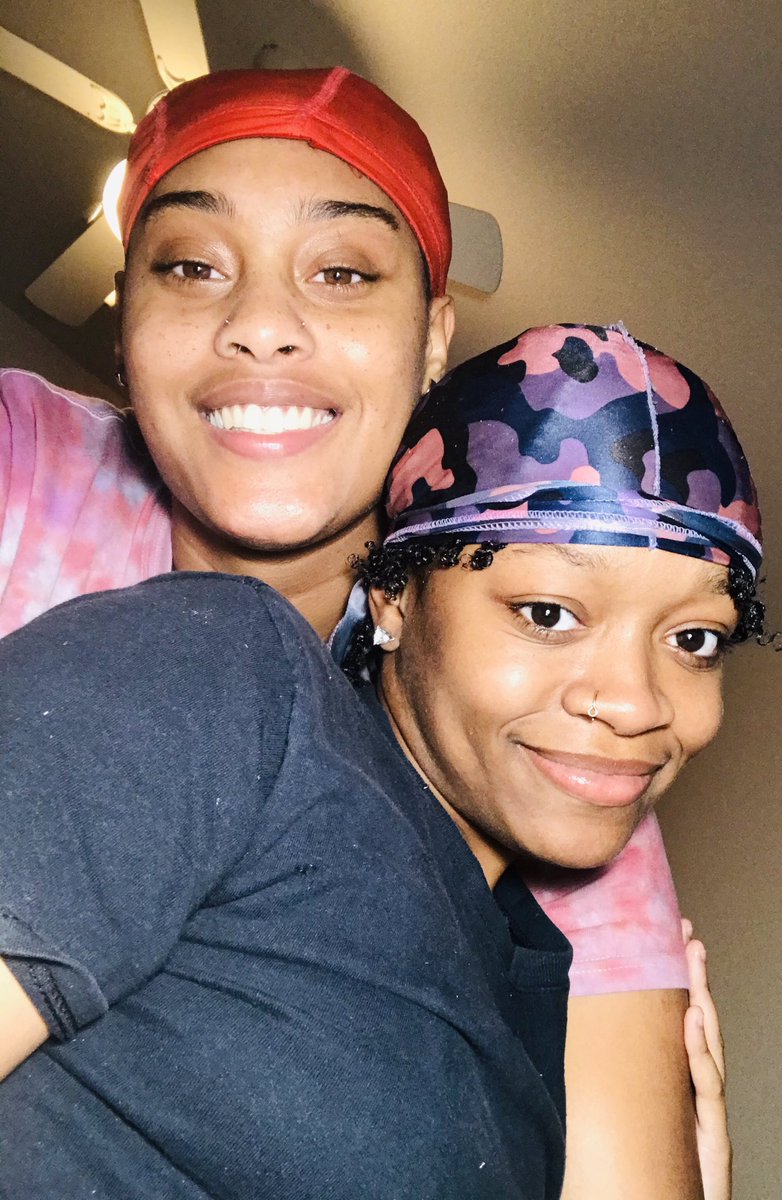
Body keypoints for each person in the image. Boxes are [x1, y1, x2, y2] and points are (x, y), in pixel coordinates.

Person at [1, 68, 708, 1191]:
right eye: (189, 266)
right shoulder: (26, 463)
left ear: (433, 340)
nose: (261, 326)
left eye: (340, 272)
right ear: (125, 319)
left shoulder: (531, 713)